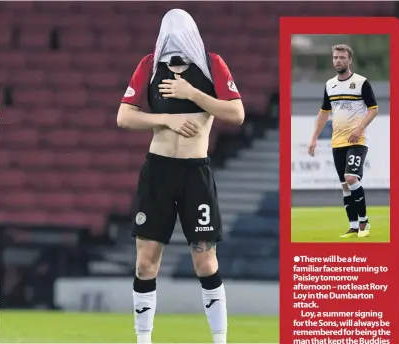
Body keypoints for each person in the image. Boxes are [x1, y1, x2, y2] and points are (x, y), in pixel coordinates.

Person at [117, 9, 244, 344]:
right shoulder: (150, 65)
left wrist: (193, 94)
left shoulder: (211, 64)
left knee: (205, 259)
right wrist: (165, 121)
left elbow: (236, 112)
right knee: (145, 263)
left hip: (194, 171)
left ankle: (220, 339)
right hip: (158, 170)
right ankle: (143, 339)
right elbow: (124, 116)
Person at [307, 44, 379, 239]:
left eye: (341, 57)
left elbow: (373, 109)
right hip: (337, 142)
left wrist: (358, 128)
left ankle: (364, 221)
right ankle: (353, 226)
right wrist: (314, 138)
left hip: (357, 140)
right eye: (335, 57)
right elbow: (324, 113)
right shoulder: (330, 85)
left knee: (351, 178)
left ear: (349, 60)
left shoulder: (361, 82)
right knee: (345, 186)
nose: (338, 60)